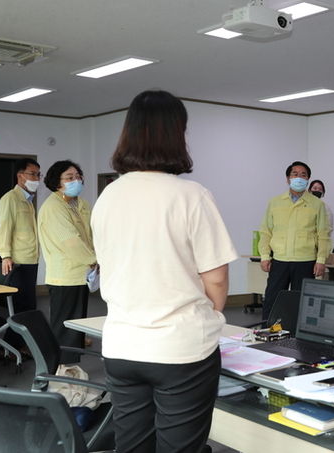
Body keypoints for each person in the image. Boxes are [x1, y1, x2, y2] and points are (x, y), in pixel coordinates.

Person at [91, 90, 238, 453]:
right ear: (177, 134)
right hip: (180, 349)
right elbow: (216, 279)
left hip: (122, 344)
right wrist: (202, 314)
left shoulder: (108, 195)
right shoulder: (191, 195)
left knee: (132, 446)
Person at [38, 160, 96, 363]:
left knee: (77, 322)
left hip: (81, 272)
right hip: (65, 275)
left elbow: (91, 233)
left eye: (78, 176)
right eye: (69, 178)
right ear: (57, 182)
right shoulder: (54, 207)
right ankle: (63, 368)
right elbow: (71, 242)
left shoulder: (80, 204)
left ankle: (72, 364)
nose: (76, 181)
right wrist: (95, 260)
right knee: (66, 324)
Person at [259, 161, 332, 320]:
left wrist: (321, 260)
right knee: (273, 299)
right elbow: (265, 232)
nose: (299, 177)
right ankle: (268, 330)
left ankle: (299, 334)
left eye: (303, 175)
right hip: (280, 259)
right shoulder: (275, 202)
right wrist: (264, 256)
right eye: (295, 174)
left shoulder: (317, 204)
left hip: (305, 261)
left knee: (303, 303)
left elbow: (323, 234)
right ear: (288, 179)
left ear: (307, 179)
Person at [0, 157, 41, 358]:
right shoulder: (10, 198)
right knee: (21, 307)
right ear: (20, 176)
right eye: (32, 174)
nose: (36, 178)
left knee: (28, 307)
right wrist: (6, 256)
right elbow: (5, 228)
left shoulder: (28, 201)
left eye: (38, 175)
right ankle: (8, 348)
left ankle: (16, 346)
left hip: (30, 260)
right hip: (18, 262)